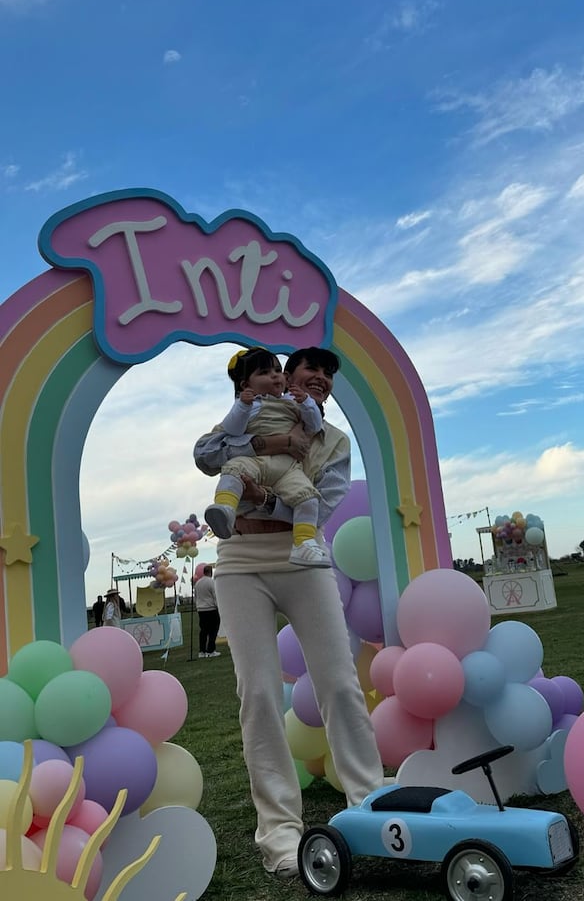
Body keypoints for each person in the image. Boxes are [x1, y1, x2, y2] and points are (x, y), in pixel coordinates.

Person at [193, 346, 383, 880]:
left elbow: (320, 504)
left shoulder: (335, 441)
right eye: (309, 370)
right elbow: (208, 456)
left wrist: (265, 498)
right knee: (256, 693)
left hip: (304, 560)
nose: (319, 378)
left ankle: (368, 802)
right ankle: (279, 832)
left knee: (340, 684)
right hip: (238, 564)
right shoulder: (249, 416)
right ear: (284, 377)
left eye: (327, 375)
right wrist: (254, 437)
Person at [203, 347, 330, 567]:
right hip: (256, 462)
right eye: (264, 372)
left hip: (287, 468)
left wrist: (307, 402)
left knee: (308, 498)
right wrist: (242, 407)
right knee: (233, 471)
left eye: (277, 371)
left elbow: (314, 423)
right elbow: (232, 430)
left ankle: (304, 543)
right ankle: (225, 510)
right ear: (246, 385)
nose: (275, 376)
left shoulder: (293, 401)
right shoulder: (249, 406)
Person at [195, 563, 221, 658]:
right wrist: (219, 607)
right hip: (211, 609)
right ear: (210, 572)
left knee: (203, 631)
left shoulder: (198, 583)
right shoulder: (211, 582)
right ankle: (211, 650)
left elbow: (196, 596)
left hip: (201, 610)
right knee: (213, 630)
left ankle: (202, 651)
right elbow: (215, 596)